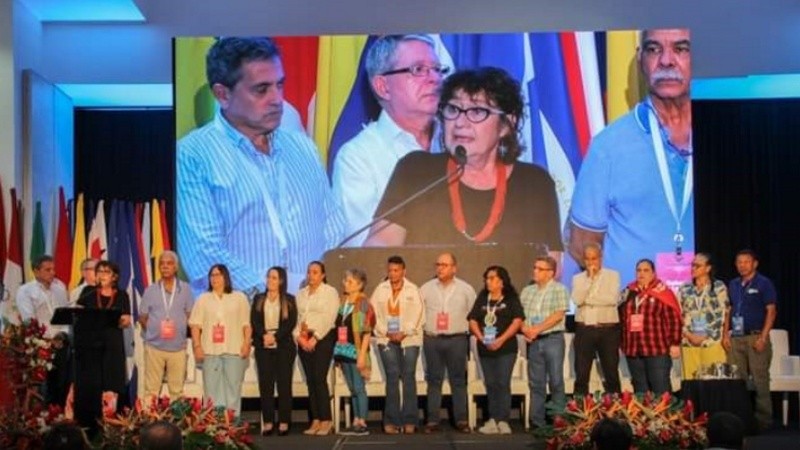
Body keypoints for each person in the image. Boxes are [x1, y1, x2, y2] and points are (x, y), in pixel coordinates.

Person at [177, 36, 345, 295]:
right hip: (239, 321)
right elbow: (204, 255)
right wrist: (277, 297)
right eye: (261, 89)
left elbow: (334, 228)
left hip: (312, 317)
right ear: (222, 94)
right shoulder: (193, 155)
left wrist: (317, 292)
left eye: (280, 85)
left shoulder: (303, 148)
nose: (277, 99)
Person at [364, 66, 562, 254]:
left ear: (506, 124)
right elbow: (380, 246)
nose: (460, 123)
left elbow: (550, 265)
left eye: (477, 111)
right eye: (453, 110)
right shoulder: (416, 171)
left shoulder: (534, 184)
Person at [568, 28, 693, 276]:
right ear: (640, 60)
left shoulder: (735, 138)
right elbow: (583, 246)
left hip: (707, 309)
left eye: (681, 49)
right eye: (654, 49)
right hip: (635, 311)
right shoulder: (608, 146)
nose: (666, 60)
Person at [332, 34, 446, 246]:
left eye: (437, 69)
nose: (434, 79)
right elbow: (363, 252)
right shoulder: (358, 158)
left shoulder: (458, 142)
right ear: (383, 86)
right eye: (418, 70)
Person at [419, 252, 475, 434]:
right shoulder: (426, 288)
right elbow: (419, 313)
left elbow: (473, 314)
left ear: (454, 268)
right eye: (438, 264)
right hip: (432, 339)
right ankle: (432, 420)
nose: (440, 268)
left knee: (458, 380)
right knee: (434, 380)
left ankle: (461, 419)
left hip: (457, 339)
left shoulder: (466, 289)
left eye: (444, 265)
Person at [74, 260, 132, 434]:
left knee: (112, 384)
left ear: (114, 276)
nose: (102, 275)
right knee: (91, 386)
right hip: (91, 347)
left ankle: (113, 428)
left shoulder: (122, 295)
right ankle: (90, 428)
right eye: (99, 271)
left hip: (112, 347)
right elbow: (78, 315)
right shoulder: (87, 292)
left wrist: (114, 319)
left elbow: (126, 321)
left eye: (106, 272)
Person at [370, 255, 424, 434]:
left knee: (408, 376)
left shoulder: (413, 289)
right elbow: (373, 314)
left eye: (396, 270)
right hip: (386, 338)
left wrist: (404, 332)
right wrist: (386, 331)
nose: (392, 274)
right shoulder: (380, 289)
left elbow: (419, 314)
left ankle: (410, 420)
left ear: (403, 271)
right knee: (392, 377)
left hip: (409, 339)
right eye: (390, 270)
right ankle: (391, 420)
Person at [189, 264, 251, 417]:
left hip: (234, 351)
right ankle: (215, 428)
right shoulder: (203, 299)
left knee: (233, 390)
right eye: (212, 275)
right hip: (210, 352)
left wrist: (246, 343)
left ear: (226, 277)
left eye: (218, 275)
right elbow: (195, 325)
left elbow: (246, 324)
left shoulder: (239, 297)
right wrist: (197, 346)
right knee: (212, 392)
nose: (214, 278)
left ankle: (233, 427)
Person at [468, 265, 524, 435]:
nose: (488, 281)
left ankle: (503, 420)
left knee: (502, 383)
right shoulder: (483, 298)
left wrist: (501, 339)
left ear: (502, 281)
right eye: (487, 278)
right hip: (485, 347)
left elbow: (517, 321)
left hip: (506, 348)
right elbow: (472, 320)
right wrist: (481, 337)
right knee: (491, 384)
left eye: (492, 278)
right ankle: (492, 419)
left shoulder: (511, 299)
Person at [725, 249, 776, 431]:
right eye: (739, 262)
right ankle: (741, 419)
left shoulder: (764, 283)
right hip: (737, 337)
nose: (742, 265)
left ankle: (763, 422)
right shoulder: (733, 284)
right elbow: (729, 310)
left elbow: (771, 310)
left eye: (746, 262)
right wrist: (725, 334)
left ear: (755, 263)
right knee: (737, 381)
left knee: (760, 380)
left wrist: (763, 336)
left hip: (756, 337)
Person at [519, 255, 569, 429]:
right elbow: (520, 315)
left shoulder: (559, 289)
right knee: (536, 382)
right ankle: (536, 421)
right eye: (535, 267)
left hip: (552, 339)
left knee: (556, 380)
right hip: (533, 341)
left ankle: (558, 420)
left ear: (551, 273)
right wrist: (526, 329)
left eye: (540, 269)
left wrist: (536, 329)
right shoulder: (528, 291)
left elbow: (558, 314)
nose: (535, 271)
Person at [619, 259, 682, 394]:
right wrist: (621, 343)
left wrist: (675, 343)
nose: (641, 273)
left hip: (656, 349)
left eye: (646, 270)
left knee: (660, 389)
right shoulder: (628, 292)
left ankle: (663, 415)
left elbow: (674, 319)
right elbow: (621, 319)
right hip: (633, 350)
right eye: (638, 270)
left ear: (653, 273)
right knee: (640, 392)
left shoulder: (663, 292)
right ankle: (643, 415)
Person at [138, 251, 195, 400]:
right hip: (154, 348)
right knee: (151, 391)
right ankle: (150, 421)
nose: (165, 267)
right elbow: (142, 316)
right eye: (162, 264)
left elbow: (190, 315)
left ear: (176, 267)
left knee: (177, 391)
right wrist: (151, 330)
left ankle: (176, 423)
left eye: (169, 263)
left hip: (178, 348)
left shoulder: (186, 289)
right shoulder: (150, 290)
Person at [15, 255, 70, 406]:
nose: (52, 273)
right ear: (36, 271)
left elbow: (65, 316)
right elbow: (29, 320)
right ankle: (40, 421)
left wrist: (62, 335)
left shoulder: (60, 288)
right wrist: (46, 340)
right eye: (47, 270)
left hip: (61, 343)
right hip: (39, 346)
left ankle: (57, 418)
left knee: (60, 384)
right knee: (41, 387)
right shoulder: (25, 291)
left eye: (53, 269)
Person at [294, 261, 339, 436]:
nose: (311, 275)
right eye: (309, 272)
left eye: (315, 272)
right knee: (310, 381)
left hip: (323, 338)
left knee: (319, 378)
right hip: (304, 339)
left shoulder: (330, 292)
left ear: (323, 275)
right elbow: (297, 318)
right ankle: (316, 419)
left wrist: (316, 338)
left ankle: (326, 419)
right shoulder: (301, 294)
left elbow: (329, 317)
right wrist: (299, 337)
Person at [251, 266, 297, 436]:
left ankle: (284, 421)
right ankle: (269, 421)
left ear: (281, 281)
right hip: (263, 346)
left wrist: (275, 337)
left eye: (274, 278)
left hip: (283, 346)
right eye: (269, 277)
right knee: (266, 385)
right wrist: (264, 335)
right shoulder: (258, 298)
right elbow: (254, 320)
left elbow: (290, 323)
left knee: (284, 385)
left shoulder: (289, 299)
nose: (270, 280)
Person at [571, 243, 622, 395]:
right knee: (581, 374)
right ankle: (580, 412)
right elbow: (577, 300)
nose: (590, 263)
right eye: (587, 259)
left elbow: (612, 299)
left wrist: (589, 299)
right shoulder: (578, 278)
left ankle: (615, 411)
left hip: (607, 330)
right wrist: (590, 281)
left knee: (611, 373)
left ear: (600, 258)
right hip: (584, 329)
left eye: (594, 258)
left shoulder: (612, 275)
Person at [334, 268, 376, 436]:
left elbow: (366, 331)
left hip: (356, 350)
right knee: (352, 388)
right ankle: (355, 420)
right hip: (343, 350)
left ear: (360, 285)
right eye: (345, 280)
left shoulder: (363, 303)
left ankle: (362, 421)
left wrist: (361, 355)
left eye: (350, 281)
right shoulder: (344, 302)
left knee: (359, 388)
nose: (345, 283)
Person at [678, 252, 729, 379]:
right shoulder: (685, 289)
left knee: (713, 383)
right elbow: (678, 315)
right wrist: (689, 335)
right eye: (692, 265)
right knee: (691, 383)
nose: (693, 268)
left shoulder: (718, 287)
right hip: (688, 342)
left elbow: (722, 315)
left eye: (697, 266)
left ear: (708, 268)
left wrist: (704, 336)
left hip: (711, 341)